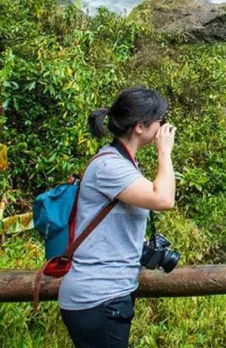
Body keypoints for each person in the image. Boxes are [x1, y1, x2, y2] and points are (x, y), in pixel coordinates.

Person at [58, 86, 177, 348]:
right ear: (139, 127)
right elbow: (164, 199)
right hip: (98, 297)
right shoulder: (109, 166)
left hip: (106, 296)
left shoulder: (122, 164)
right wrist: (165, 152)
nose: (163, 127)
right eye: (161, 120)